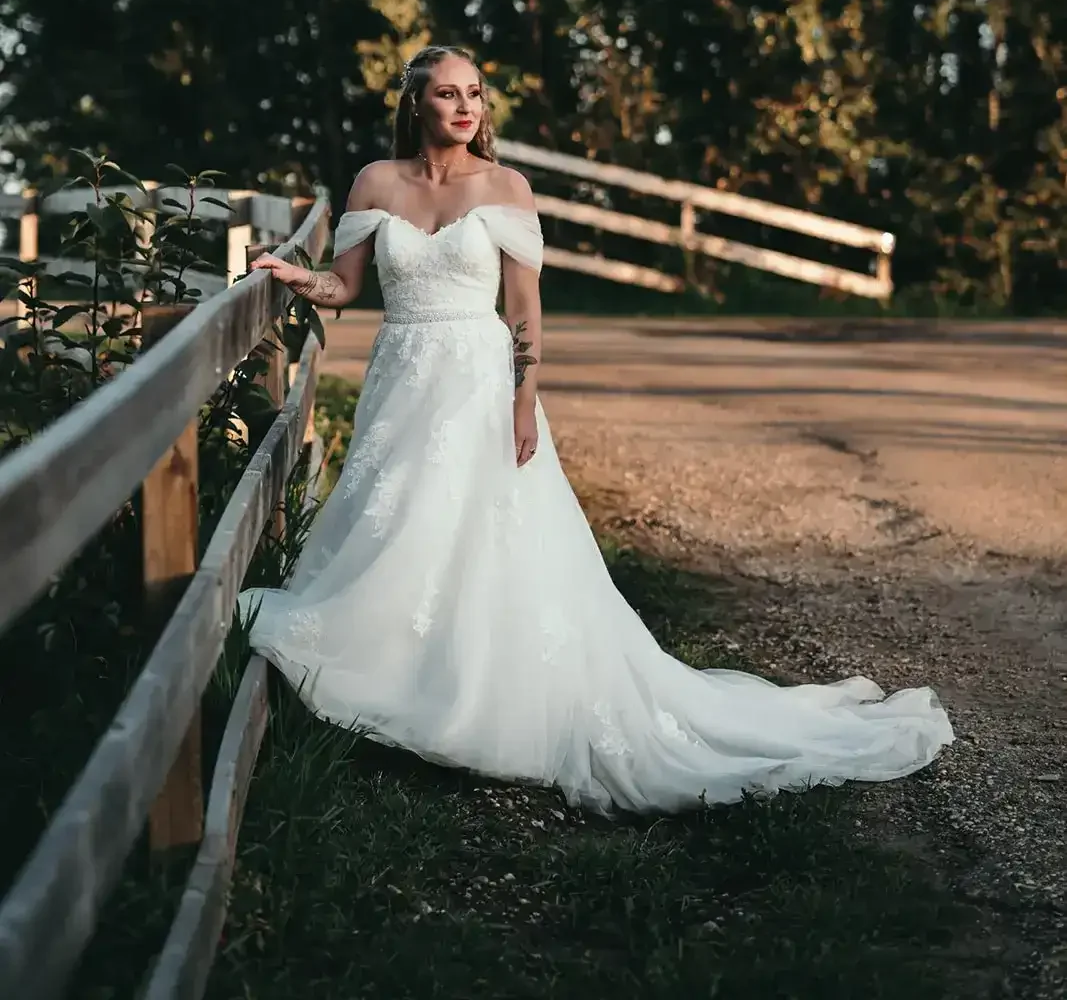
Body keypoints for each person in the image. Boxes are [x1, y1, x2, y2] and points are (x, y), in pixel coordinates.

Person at [239, 45, 953, 815]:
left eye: (475, 93)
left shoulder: (507, 187)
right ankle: (399, 669)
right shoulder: (375, 184)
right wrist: (291, 278)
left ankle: (480, 695)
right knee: (400, 522)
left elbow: (522, 309)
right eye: (446, 94)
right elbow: (344, 286)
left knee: (481, 531)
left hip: (478, 382)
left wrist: (523, 400)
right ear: (415, 103)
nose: (464, 108)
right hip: (401, 379)